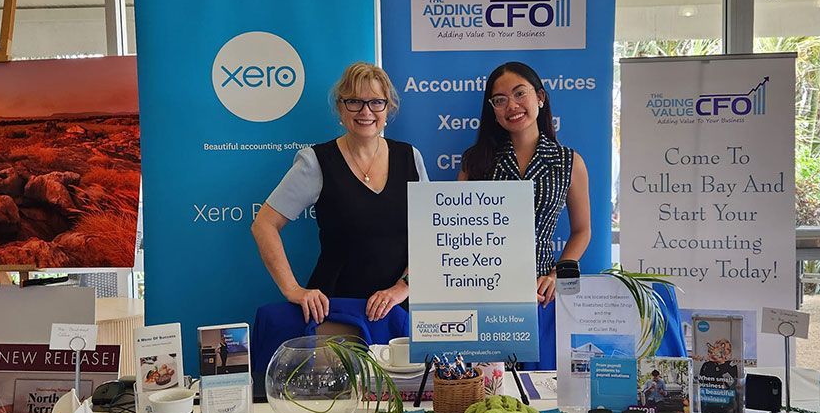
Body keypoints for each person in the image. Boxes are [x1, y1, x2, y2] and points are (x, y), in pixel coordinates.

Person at [252, 62, 428, 324]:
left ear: (388, 107)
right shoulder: (316, 161)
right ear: (340, 107)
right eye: (354, 101)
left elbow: (429, 235)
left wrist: (404, 286)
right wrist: (292, 289)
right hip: (335, 311)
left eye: (376, 102)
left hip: (401, 310)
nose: (366, 111)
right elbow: (264, 224)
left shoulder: (410, 157)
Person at [459, 61, 591, 306]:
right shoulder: (475, 162)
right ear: (493, 110)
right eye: (500, 100)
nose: (512, 106)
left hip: (543, 290)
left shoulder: (569, 162)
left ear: (540, 97)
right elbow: (460, 230)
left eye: (520, 93)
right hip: (485, 288)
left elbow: (582, 230)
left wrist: (557, 275)